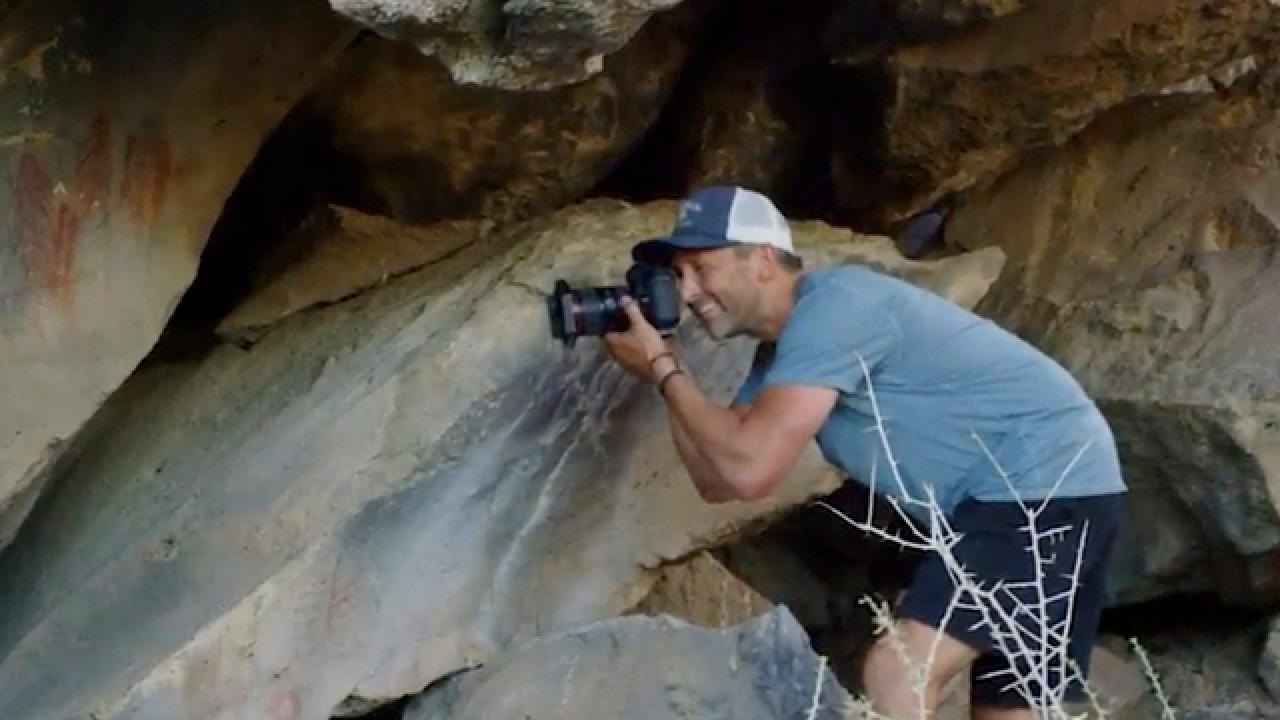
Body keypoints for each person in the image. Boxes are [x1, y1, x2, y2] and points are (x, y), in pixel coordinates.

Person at [601, 185, 1127, 720]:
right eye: (678, 274)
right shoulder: (786, 353)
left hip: (1035, 485)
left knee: (899, 668)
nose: (687, 291)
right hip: (1067, 487)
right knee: (1012, 706)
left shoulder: (835, 308)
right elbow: (719, 478)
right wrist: (661, 374)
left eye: (700, 266)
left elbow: (751, 468)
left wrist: (666, 372)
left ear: (761, 259)